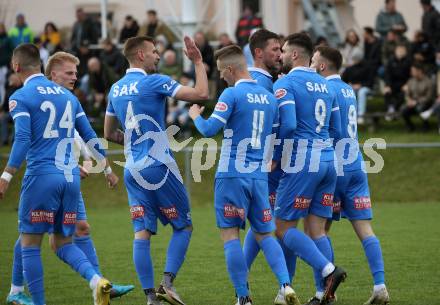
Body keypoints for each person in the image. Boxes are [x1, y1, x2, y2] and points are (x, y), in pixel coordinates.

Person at [5, 51, 134, 305]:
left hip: (52, 175)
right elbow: (80, 135)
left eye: (76, 73)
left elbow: (35, 138)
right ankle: (18, 289)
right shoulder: (64, 99)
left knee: (39, 236)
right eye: (69, 73)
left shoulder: (39, 97)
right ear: (50, 73)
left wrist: (7, 175)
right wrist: (99, 166)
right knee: (36, 238)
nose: (75, 77)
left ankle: (96, 284)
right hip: (66, 176)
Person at [188, 44, 300, 305]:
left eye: (220, 71)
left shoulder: (230, 94)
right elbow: (275, 134)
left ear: (230, 68)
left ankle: (243, 297)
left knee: (230, 236)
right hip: (259, 175)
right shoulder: (269, 97)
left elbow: (208, 130)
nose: (221, 76)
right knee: (265, 234)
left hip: (232, 174)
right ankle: (285, 285)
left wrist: (194, 115)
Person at [104, 35, 208, 305]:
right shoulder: (154, 81)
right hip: (159, 165)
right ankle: (167, 284)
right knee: (184, 226)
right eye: (154, 52)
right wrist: (197, 61)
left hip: (132, 170)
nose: (158, 56)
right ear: (141, 55)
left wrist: (133, 141)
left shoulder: (115, 89)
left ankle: (151, 297)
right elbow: (201, 94)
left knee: (142, 233)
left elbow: (108, 133)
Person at [309, 46, 390, 305]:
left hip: (334, 166)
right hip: (356, 163)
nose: (310, 65)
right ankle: (380, 286)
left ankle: (324, 292)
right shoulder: (348, 90)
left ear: (322, 66)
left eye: (313, 61)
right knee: (365, 229)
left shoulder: (325, 90)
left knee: (318, 230)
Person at [272, 33, 346, 304]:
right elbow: (337, 130)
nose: (279, 55)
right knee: (316, 229)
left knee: (282, 226)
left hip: (303, 161)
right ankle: (323, 294)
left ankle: (329, 271)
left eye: (283, 50)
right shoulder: (327, 86)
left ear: (294, 55)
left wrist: (278, 156)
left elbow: (289, 125)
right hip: (328, 160)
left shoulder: (287, 83)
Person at [401, 63, 434, 131]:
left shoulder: (428, 81)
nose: (411, 73)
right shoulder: (411, 81)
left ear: (419, 71)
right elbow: (407, 94)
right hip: (412, 103)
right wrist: (408, 100)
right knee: (403, 109)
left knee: (420, 108)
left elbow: (429, 97)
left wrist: (416, 102)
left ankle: (426, 125)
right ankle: (410, 126)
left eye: (413, 71)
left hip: (425, 103)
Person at [383, 44, 412, 119]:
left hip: (404, 84)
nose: (400, 52)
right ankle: (391, 109)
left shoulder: (409, 61)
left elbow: (411, 75)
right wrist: (387, 85)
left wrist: (407, 84)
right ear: (395, 51)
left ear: (405, 52)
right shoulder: (391, 61)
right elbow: (387, 74)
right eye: (399, 50)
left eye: (402, 51)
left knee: (403, 94)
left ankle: (393, 110)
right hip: (392, 84)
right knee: (386, 92)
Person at [0, 23, 13, 104]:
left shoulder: (7, 39)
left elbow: (12, 51)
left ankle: (4, 102)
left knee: (4, 83)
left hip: (5, 65)